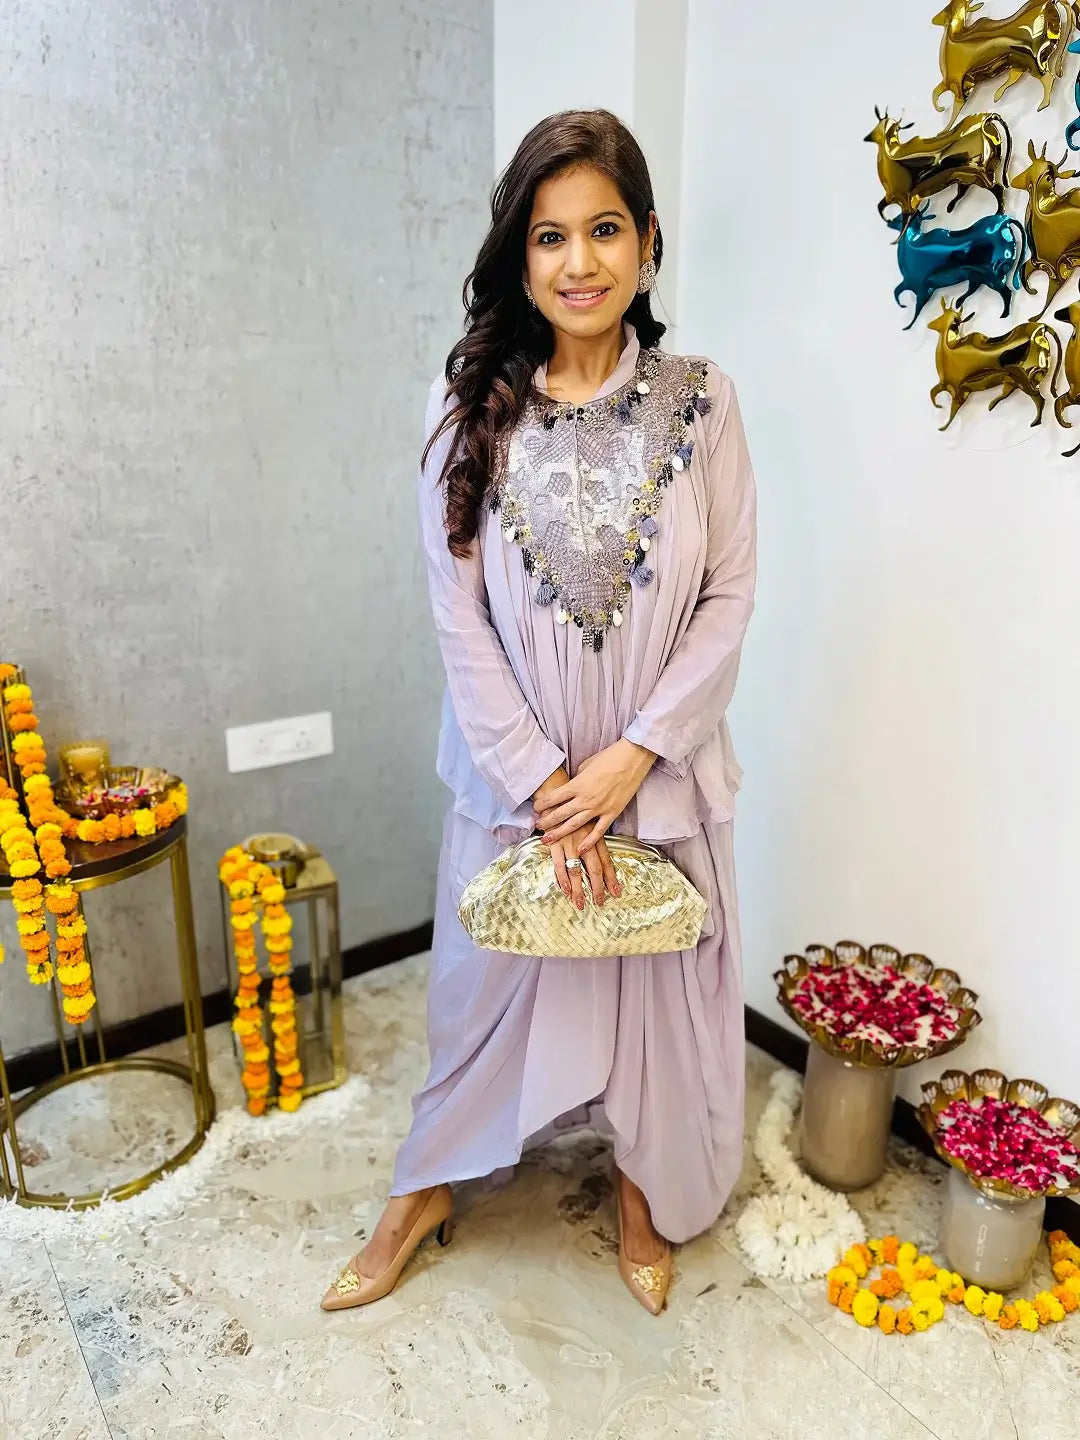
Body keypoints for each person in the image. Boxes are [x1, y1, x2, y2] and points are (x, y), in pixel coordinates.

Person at [323, 108, 757, 1317]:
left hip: (656, 775)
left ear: (648, 241)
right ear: (519, 257)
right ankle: (425, 1189)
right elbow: (457, 615)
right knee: (481, 990)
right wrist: (543, 782)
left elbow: (728, 596)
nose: (580, 262)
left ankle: (646, 1189)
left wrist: (632, 760)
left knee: (664, 986)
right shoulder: (468, 404)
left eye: (604, 230)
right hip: (521, 782)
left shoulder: (705, 402)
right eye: (550, 235)